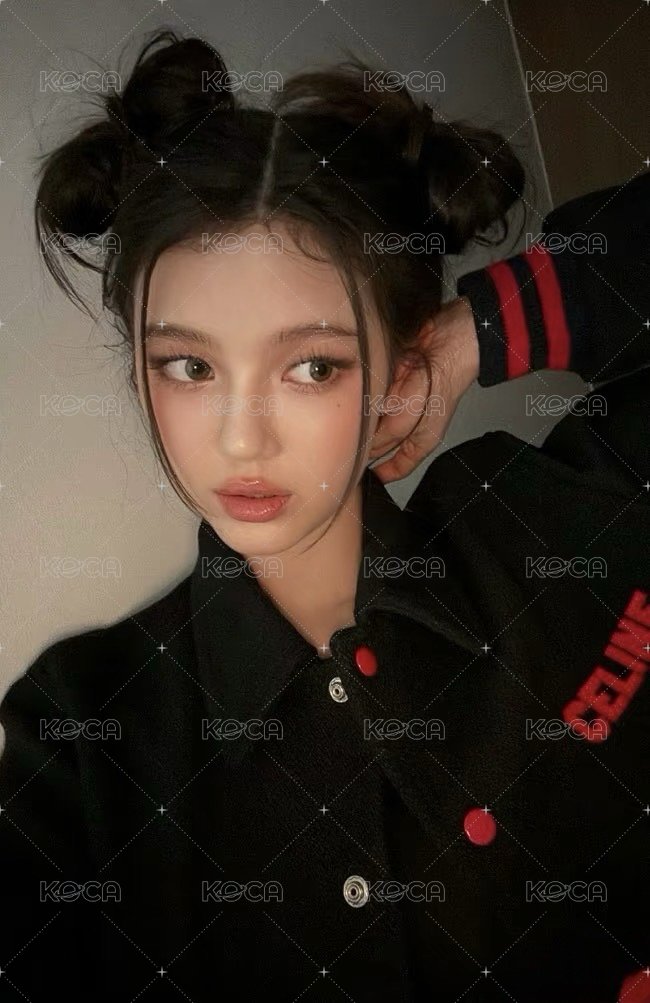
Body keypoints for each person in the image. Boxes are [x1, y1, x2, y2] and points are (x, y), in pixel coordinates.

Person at [1, 27, 648, 1003]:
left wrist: (475, 334)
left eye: (312, 365)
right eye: (189, 365)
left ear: (397, 362)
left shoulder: (546, 528)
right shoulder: (86, 735)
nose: (240, 439)